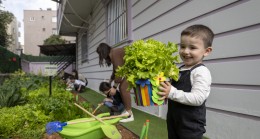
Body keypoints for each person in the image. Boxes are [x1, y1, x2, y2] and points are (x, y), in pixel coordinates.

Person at [157, 24, 214, 139]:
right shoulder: (179, 69)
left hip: (191, 126)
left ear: (206, 51)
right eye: (182, 46)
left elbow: (198, 98)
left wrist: (171, 93)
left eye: (192, 48)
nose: (185, 51)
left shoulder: (201, 72)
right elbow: (171, 90)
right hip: (174, 120)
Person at [96, 43, 134, 122]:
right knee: (122, 87)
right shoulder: (113, 53)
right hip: (131, 71)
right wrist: (110, 81)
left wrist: (114, 87)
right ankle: (128, 110)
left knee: (123, 87)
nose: (102, 57)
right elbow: (115, 71)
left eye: (100, 54)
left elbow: (119, 73)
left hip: (135, 70)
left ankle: (129, 114)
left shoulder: (115, 53)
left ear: (103, 52)